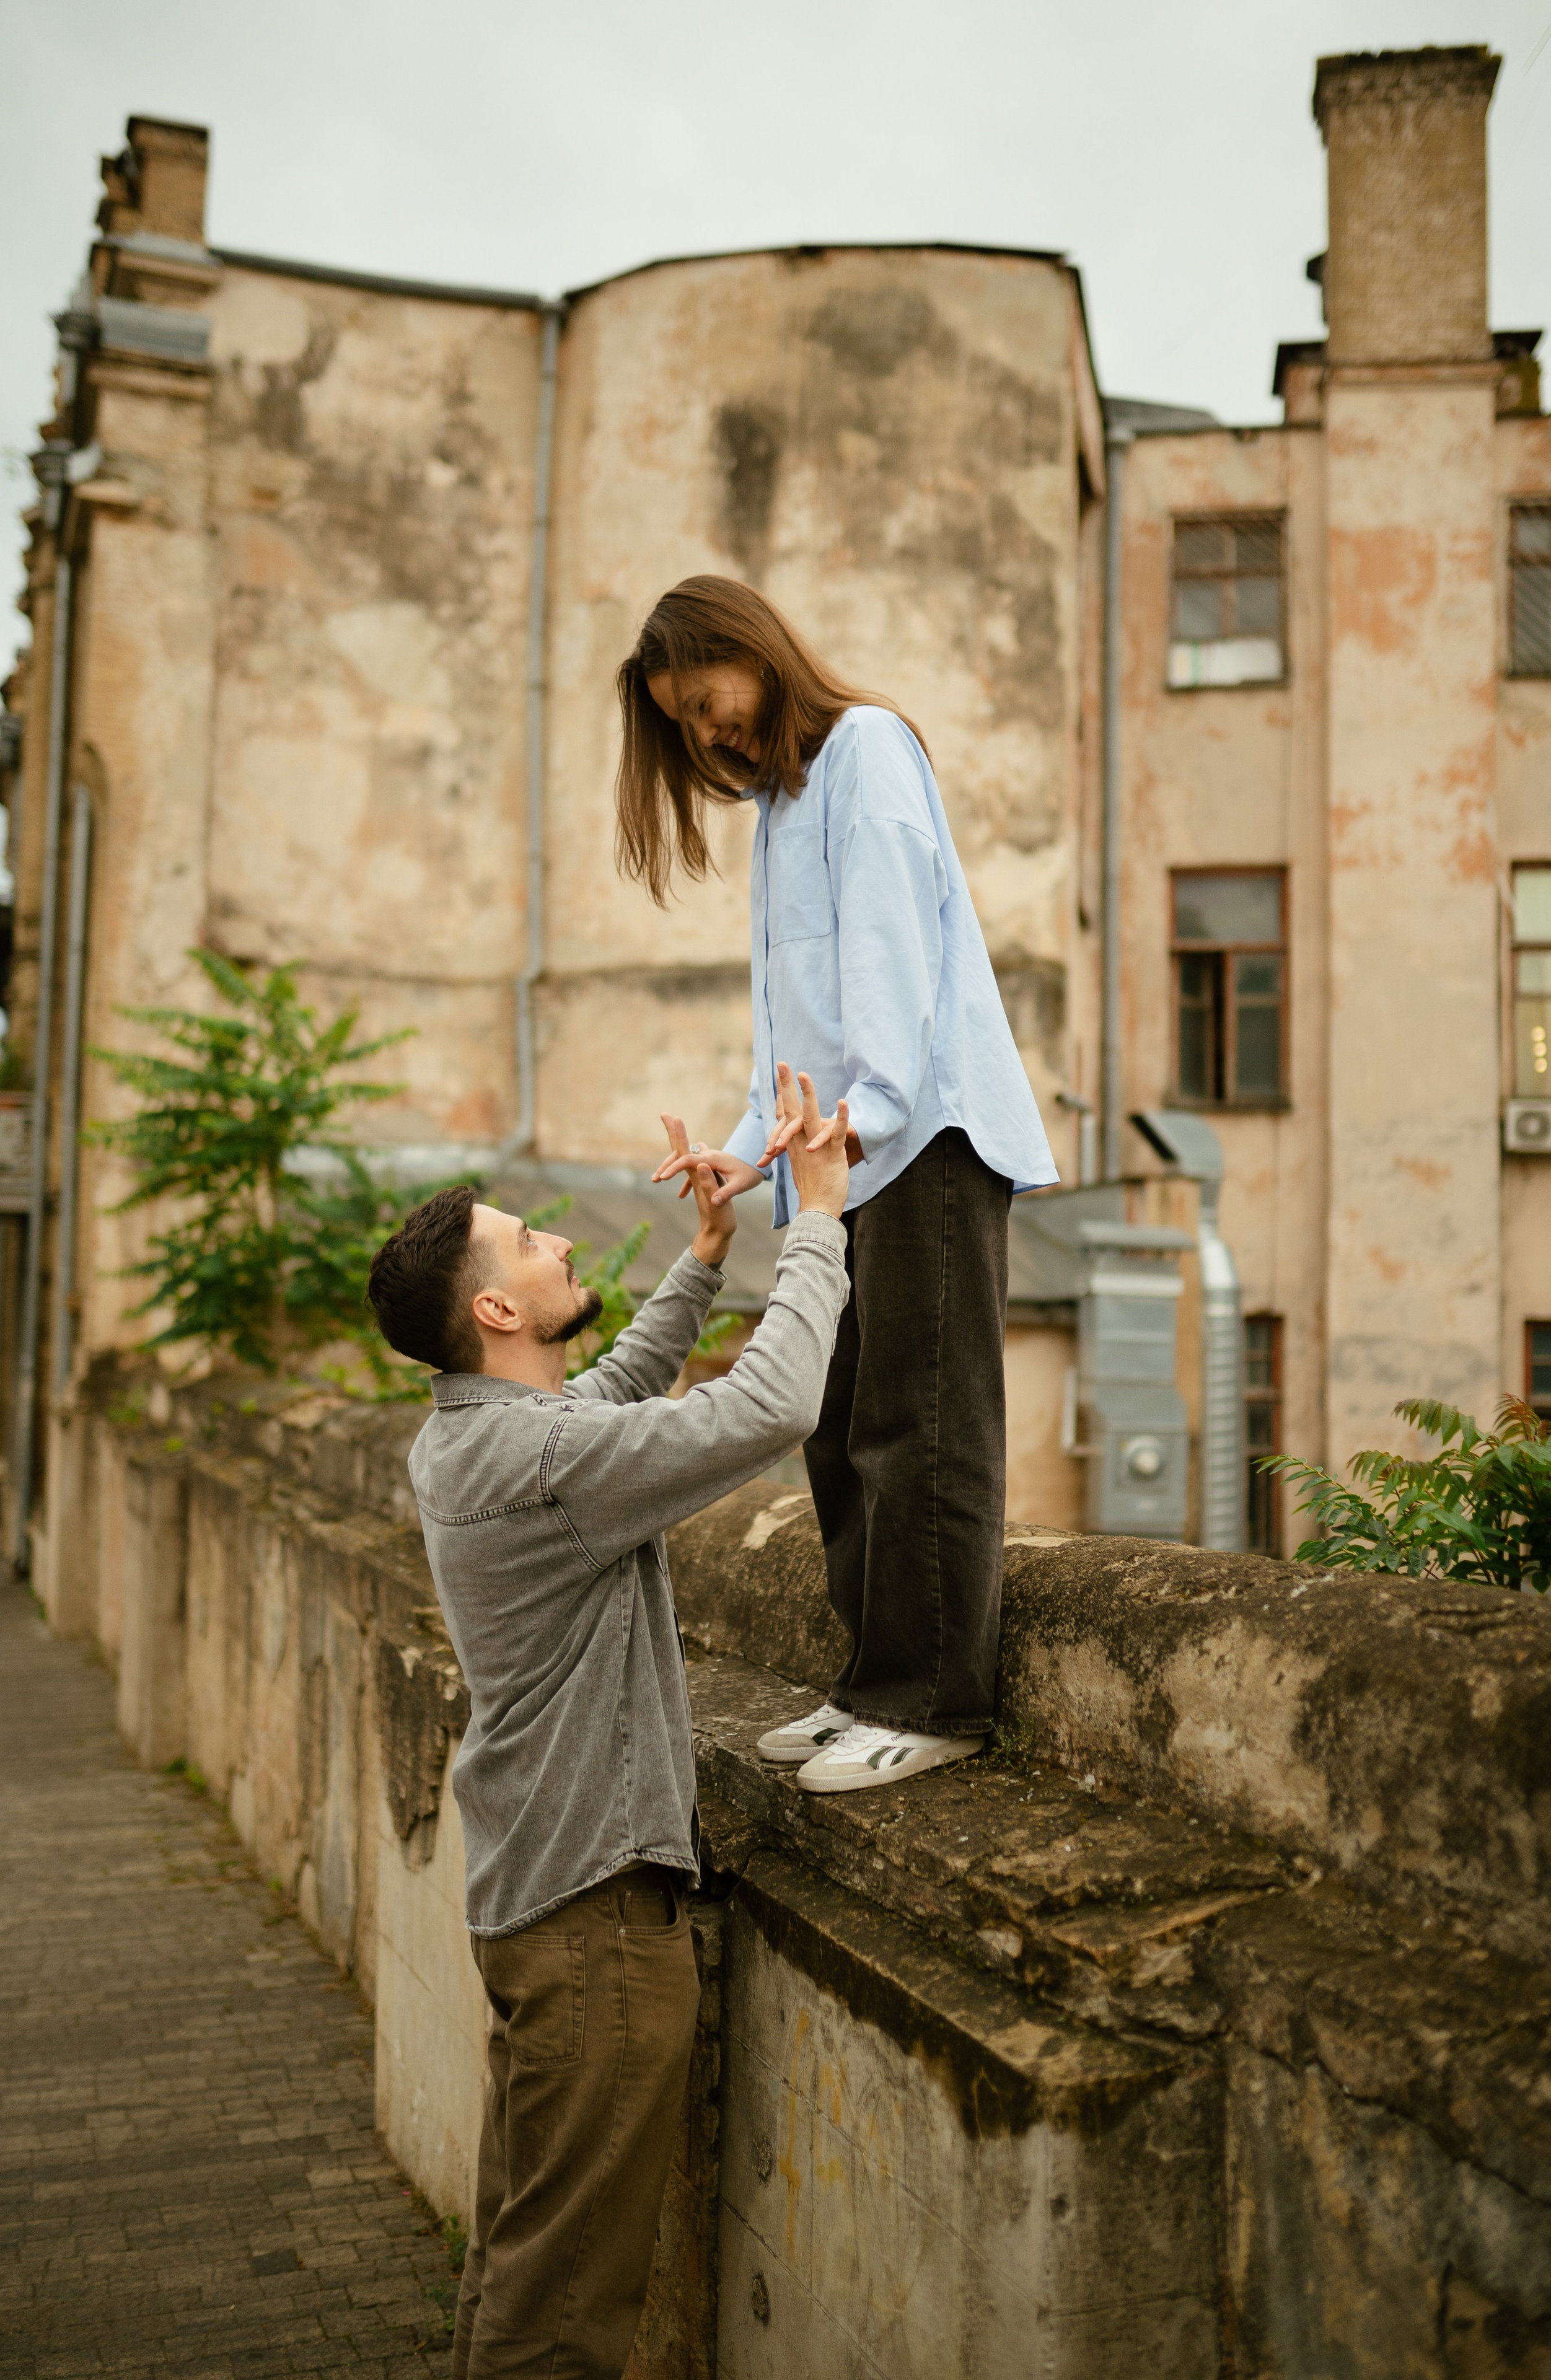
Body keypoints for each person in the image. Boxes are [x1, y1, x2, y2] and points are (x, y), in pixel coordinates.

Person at [364, 1068, 850, 2380]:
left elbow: (613, 1397)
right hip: (590, 1923)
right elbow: (768, 1409)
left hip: (540, 1898)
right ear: (498, 1306)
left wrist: (703, 1259)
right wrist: (818, 1222)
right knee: (566, 2304)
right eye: (533, 1241)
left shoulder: (474, 1435)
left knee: (524, 2260)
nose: (564, 1237)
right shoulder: (528, 1465)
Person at [622, 576, 1059, 1794]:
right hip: (840, 1156)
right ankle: (873, 1683)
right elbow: (793, 1025)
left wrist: (849, 1127)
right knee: (837, 1429)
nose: (708, 735)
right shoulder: (780, 808)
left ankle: (935, 1701)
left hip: (917, 1142)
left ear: (755, 659)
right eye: (687, 724)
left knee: (917, 1426)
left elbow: (891, 973)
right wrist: (745, 1145)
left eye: (709, 702)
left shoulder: (863, 750)